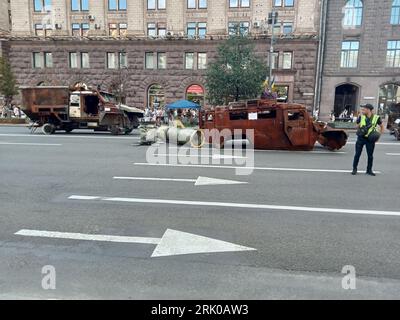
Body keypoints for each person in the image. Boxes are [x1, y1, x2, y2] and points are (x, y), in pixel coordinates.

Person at [352, 104, 385, 176]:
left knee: (370, 155)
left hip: (370, 139)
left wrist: (378, 136)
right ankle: (354, 169)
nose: (363, 110)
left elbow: (382, 127)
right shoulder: (361, 117)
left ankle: (369, 170)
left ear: (369, 110)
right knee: (357, 154)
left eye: (364, 109)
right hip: (361, 138)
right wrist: (359, 126)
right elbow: (356, 126)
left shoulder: (376, 118)